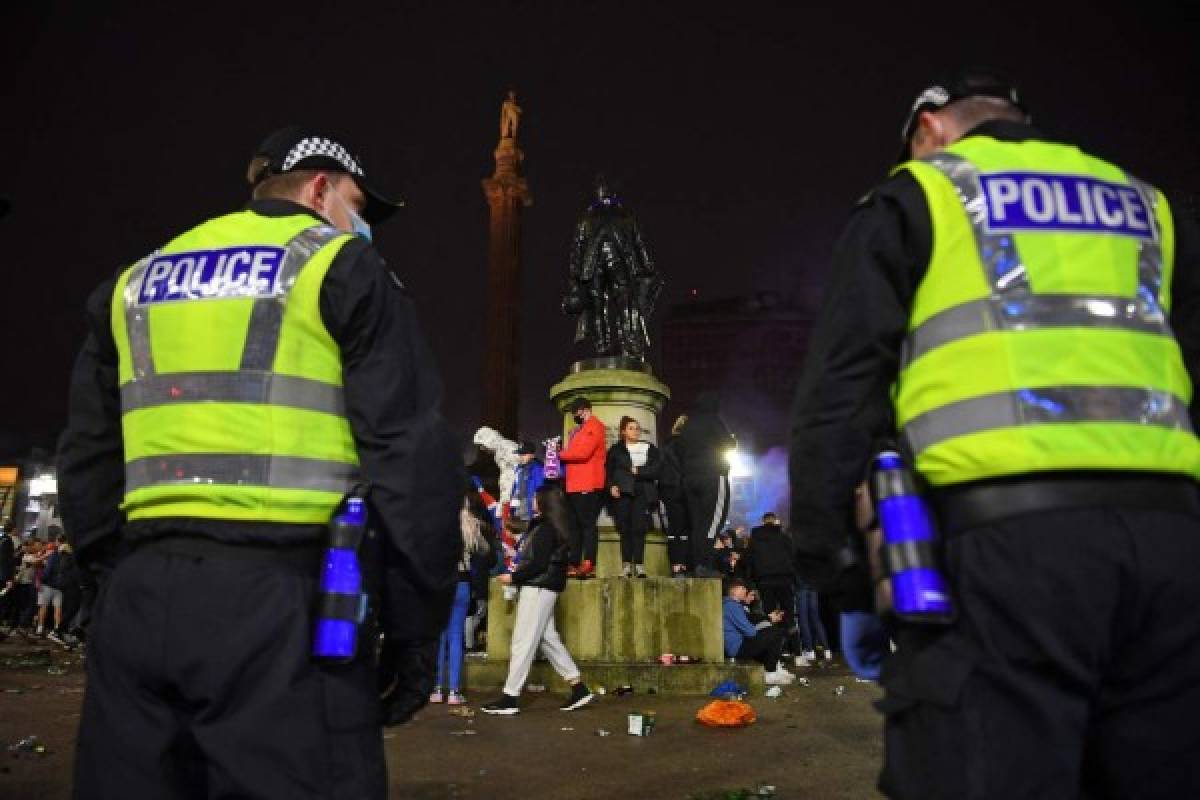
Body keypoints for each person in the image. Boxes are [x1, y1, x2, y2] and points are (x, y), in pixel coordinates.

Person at [789, 70, 1200, 798]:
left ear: (929, 130)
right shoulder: (1151, 205)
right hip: (1171, 552)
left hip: (1001, 559)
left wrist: (838, 572)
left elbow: (839, 394)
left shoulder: (922, 193)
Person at [57, 126, 462, 799]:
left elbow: (88, 454)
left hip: (140, 594)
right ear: (320, 187)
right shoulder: (342, 269)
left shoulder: (134, 281)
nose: (362, 226)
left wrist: (106, 581)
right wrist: (416, 629)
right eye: (358, 206)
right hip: (285, 607)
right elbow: (410, 454)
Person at [481, 485, 596, 715]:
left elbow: (536, 564)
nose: (533, 501)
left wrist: (513, 577)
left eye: (535, 498)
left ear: (543, 502)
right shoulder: (554, 526)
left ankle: (510, 697)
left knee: (523, 641)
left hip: (538, 588)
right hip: (545, 587)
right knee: (547, 639)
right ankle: (578, 687)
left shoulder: (545, 528)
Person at [430, 491, 491, 707]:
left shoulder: (436, 525)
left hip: (442, 584)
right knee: (456, 636)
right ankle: (454, 692)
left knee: (440, 636)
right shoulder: (470, 524)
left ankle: (437, 688)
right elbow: (486, 551)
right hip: (462, 583)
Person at [676, 392, 736, 576]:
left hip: (689, 477)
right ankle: (705, 564)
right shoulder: (713, 421)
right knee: (714, 521)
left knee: (697, 523)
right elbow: (728, 443)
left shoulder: (688, 425)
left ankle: (696, 564)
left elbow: (680, 449)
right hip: (712, 474)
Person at [557, 396, 607, 577]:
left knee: (587, 525)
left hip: (587, 483)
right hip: (574, 484)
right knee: (574, 526)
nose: (574, 415)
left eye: (575, 412)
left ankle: (589, 563)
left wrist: (559, 454)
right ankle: (573, 562)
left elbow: (583, 453)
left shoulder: (595, 427)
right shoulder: (580, 430)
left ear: (585, 410)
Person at [606, 416, 662, 577]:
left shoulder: (649, 447)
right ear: (623, 431)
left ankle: (639, 565)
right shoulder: (616, 450)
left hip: (642, 492)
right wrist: (611, 486)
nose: (636, 431)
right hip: (623, 492)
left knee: (639, 529)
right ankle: (625, 566)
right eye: (631, 428)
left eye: (637, 428)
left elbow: (657, 468)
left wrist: (640, 471)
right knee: (625, 529)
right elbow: (609, 471)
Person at [744, 512, 800, 660]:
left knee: (770, 616)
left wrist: (750, 580)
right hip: (785, 581)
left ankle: (775, 652)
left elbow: (748, 560)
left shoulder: (755, 539)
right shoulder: (784, 538)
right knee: (788, 615)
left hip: (765, 582)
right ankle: (796, 651)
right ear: (775, 521)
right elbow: (794, 558)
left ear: (763, 522)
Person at [721, 577, 794, 685]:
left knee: (771, 633)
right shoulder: (732, 606)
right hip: (737, 648)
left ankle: (775, 668)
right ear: (735, 590)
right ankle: (770, 673)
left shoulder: (732, 605)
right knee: (774, 634)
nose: (745, 591)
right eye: (743, 588)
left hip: (738, 644)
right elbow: (750, 632)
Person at [659, 415, 690, 577]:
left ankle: (677, 563)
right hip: (681, 489)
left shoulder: (666, 445)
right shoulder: (686, 446)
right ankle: (681, 563)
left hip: (669, 489)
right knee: (683, 529)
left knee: (675, 528)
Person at [509, 441, 546, 526]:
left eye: (524, 454)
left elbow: (539, 488)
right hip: (518, 506)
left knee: (529, 529)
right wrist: (512, 507)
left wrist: (536, 502)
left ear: (532, 455)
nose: (521, 457)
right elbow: (515, 488)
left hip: (530, 506)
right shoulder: (519, 469)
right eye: (520, 454)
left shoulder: (537, 468)